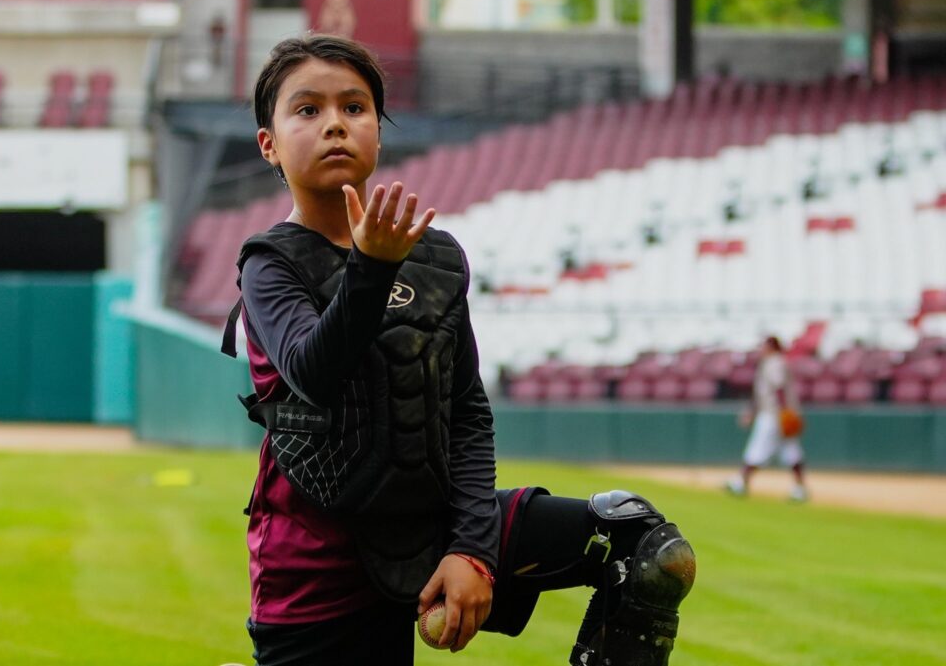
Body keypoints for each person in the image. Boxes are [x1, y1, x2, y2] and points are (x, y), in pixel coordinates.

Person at [220, 34, 695, 666]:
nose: (335, 123)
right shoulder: (268, 264)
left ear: (378, 134)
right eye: (307, 110)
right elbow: (314, 370)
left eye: (355, 108)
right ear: (269, 144)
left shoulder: (435, 257)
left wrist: (473, 550)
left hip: (435, 516)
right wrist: (370, 268)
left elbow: (465, 412)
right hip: (320, 563)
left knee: (647, 547)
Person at [725, 336, 809, 502]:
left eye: (763, 346)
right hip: (777, 413)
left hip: (774, 414)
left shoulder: (775, 362)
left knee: (758, 449)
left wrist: (784, 413)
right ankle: (799, 489)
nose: (760, 350)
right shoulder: (771, 362)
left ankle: (741, 483)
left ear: (771, 347)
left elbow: (778, 389)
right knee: (791, 452)